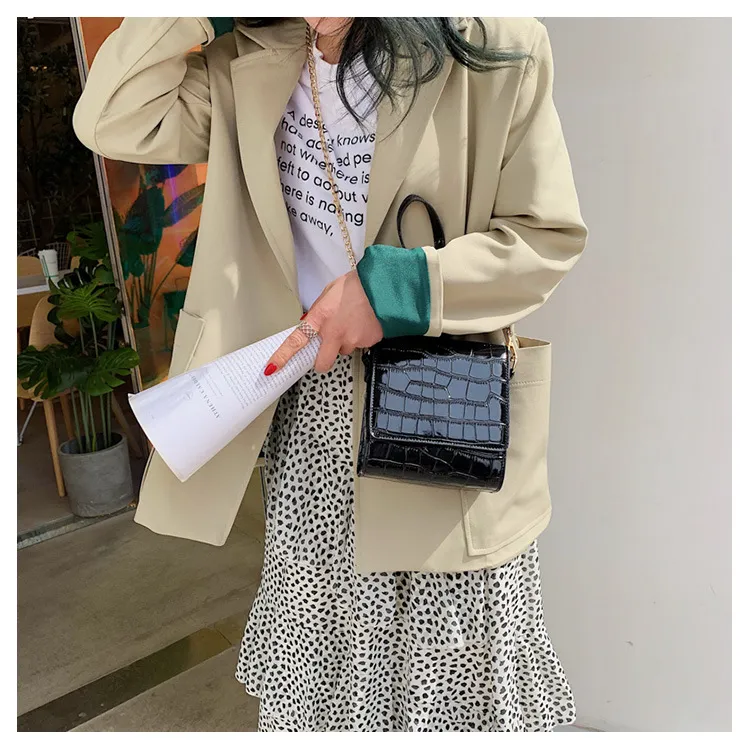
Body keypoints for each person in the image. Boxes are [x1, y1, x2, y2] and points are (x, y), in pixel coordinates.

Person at [74, 17, 587, 732]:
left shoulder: (490, 42)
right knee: (323, 670)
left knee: (452, 675)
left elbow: (543, 237)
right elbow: (110, 118)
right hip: (308, 420)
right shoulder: (250, 58)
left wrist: (392, 291)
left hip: (438, 403)